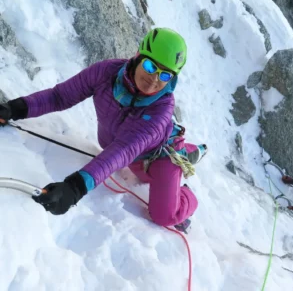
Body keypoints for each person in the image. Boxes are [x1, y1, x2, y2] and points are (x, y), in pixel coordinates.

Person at [0, 28, 207, 233]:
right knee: (125, 159)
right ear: (138, 56)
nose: (155, 80)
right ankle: (188, 153)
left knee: (164, 215)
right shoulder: (106, 73)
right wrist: (15, 109)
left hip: (159, 157)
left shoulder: (160, 110)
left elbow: (122, 151)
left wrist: (74, 188)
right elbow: (60, 96)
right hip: (126, 148)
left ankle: (186, 180)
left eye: (165, 75)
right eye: (150, 66)